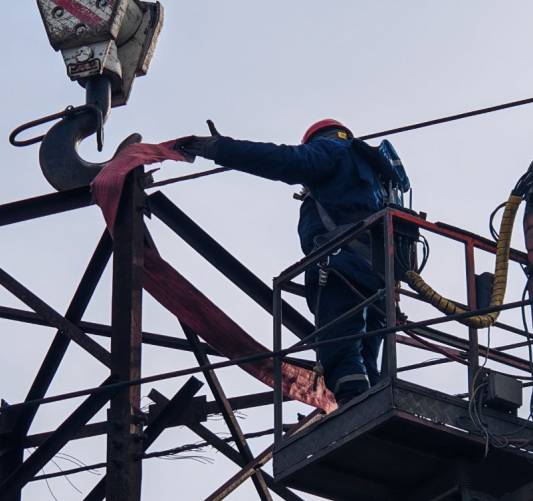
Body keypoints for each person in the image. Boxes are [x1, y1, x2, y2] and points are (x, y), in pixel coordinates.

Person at [175, 119, 409, 405]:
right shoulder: (374, 173)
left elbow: (281, 160)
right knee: (367, 357)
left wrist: (219, 148)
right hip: (378, 277)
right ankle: (375, 404)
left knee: (339, 349)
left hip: (341, 266)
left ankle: (357, 409)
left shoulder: (331, 151)